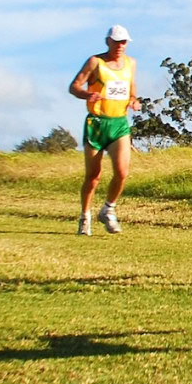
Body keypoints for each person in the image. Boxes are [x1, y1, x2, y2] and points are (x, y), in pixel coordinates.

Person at [69, 25, 137, 235]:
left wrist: (134, 100)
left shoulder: (130, 63)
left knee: (122, 172)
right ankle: (85, 216)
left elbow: (131, 86)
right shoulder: (95, 62)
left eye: (123, 42)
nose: (119, 46)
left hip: (119, 124)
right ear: (108, 41)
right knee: (93, 176)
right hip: (97, 124)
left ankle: (108, 209)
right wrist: (86, 95)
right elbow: (74, 86)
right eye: (116, 41)